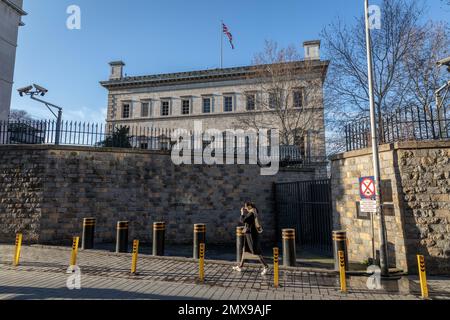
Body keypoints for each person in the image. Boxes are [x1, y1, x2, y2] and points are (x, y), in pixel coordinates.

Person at [232, 202, 269, 275]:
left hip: (252, 235)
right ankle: (240, 266)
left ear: (249, 206)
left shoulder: (251, 213)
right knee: (245, 250)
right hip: (249, 234)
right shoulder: (253, 212)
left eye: (246, 207)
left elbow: (243, 220)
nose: (245, 208)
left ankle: (266, 266)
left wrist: (242, 213)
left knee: (255, 251)